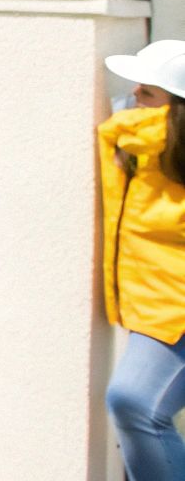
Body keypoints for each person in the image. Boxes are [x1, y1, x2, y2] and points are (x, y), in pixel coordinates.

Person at [100, 43, 185, 478]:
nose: (133, 97)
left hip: (176, 314)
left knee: (135, 403)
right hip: (153, 306)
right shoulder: (140, 151)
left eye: (148, 93)